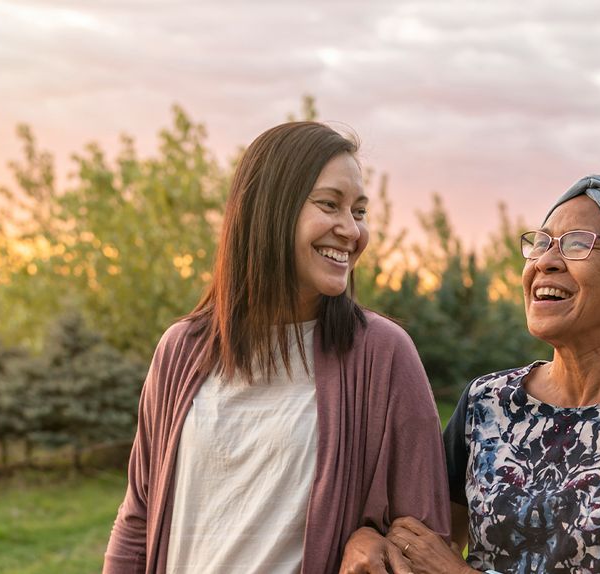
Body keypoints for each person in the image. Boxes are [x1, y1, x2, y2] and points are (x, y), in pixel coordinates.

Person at [101, 121, 449, 574]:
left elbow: (423, 543)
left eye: (359, 212)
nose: (351, 230)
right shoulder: (181, 350)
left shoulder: (382, 355)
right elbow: (138, 518)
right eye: (330, 205)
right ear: (270, 209)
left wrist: (372, 541)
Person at [348, 175, 600, 574]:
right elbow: (415, 541)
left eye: (578, 243)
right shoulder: (487, 401)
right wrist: (366, 536)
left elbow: (438, 563)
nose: (545, 260)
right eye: (542, 243)